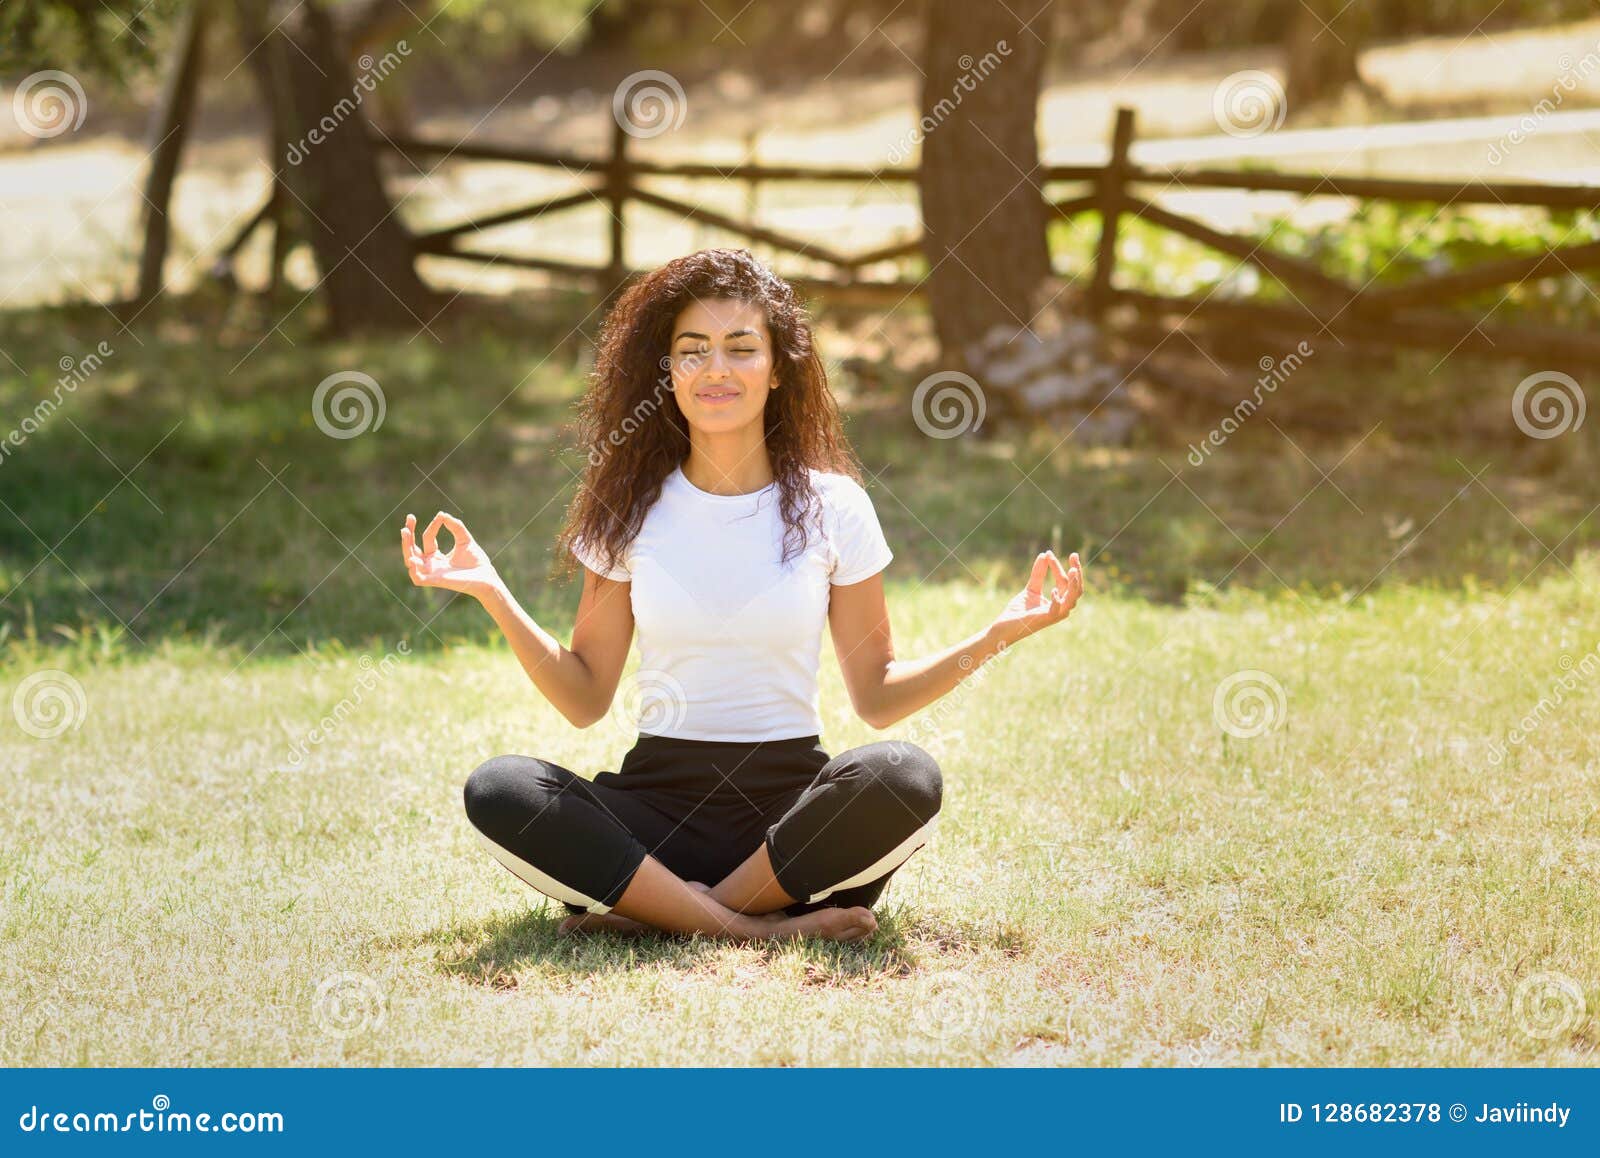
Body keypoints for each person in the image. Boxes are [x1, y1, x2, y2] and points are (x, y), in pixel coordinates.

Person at [400, 248, 1083, 944]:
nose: (716, 369)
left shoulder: (834, 507)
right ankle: (758, 931)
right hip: (654, 817)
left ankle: (666, 916)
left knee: (903, 776)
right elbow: (584, 697)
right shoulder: (627, 509)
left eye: (741, 348)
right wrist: (491, 593)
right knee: (501, 789)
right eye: (692, 350)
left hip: (788, 833)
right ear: (667, 370)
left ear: (778, 366)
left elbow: (876, 696)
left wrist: (994, 636)